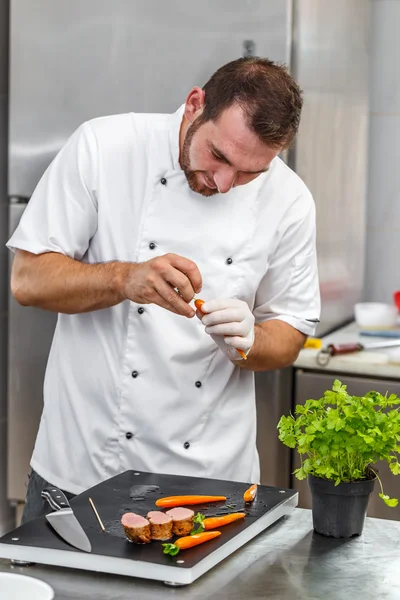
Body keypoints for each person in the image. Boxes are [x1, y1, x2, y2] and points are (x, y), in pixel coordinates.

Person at [7, 57, 320, 523]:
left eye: (250, 174)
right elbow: (27, 281)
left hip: (214, 485)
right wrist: (123, 278)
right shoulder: (106, 146)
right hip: (81, 472)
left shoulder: (290, 199)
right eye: (219, 156)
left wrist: (251, 342)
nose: (223, 183)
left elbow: (290, 334)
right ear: (195, 105)